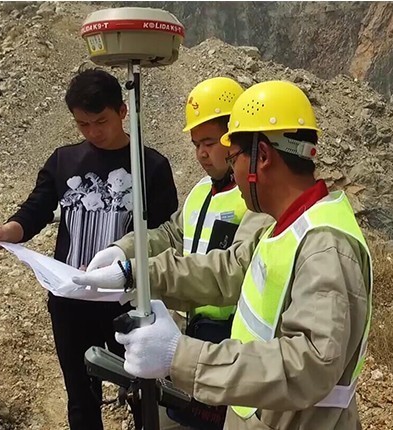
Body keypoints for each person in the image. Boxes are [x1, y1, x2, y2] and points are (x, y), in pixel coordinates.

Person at [74, 80, 373, 429]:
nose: (231, 171)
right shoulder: (286, 225)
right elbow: (227, 269)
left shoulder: (325, 247)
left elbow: (310, 364)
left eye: (234, 158)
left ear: (262, 157)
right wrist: (135, 273)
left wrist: (181, 356)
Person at [0, 68, 179, 430]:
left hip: (127, 300)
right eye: (82, 124)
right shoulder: (64, 161)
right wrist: (9, 231)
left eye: (100, 122)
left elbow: (165, 235)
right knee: (81, 396)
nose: (93, 132)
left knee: (142, 391)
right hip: (70, 299)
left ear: (122, 111)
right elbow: (36, 209)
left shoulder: (151, 166)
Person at [84, 77, 274, 430]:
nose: (201, 154)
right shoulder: (201, 192)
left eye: (210, 143)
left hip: (228, 342)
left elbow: (232, 270)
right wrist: (121, 249)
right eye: (196, 144)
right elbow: (172, 234)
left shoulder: (256, 202)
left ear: (235, 138)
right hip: (187, 333)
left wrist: (138, 273)